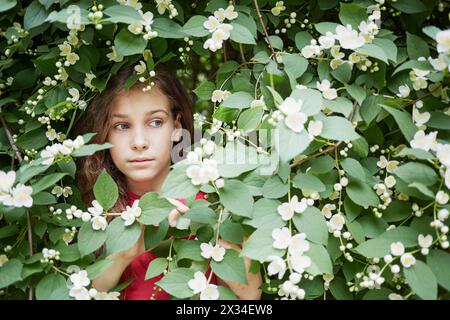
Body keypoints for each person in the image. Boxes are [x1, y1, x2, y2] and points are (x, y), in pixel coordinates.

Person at [74, 65, 262, 300]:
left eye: (155, 122)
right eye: (121, 126)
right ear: (104, 133)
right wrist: (125, 252)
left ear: (176, 126)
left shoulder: (216, 199)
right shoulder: (97, 209)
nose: (139, 142)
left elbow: (252, 296)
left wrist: (206, 229)